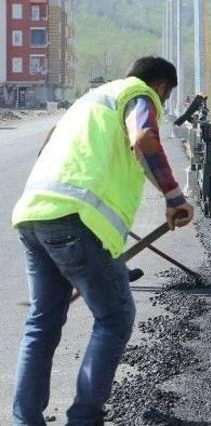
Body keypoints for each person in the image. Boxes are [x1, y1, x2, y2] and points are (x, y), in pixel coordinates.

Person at [10, 56, 195, 426]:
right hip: (78, 223)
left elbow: (47, 146)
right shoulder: (139, 94)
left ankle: (25, 419)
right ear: (161, 87)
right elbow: (144, 136)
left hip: (33, 215)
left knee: (42, 322)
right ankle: (84, 417)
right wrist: (174, 196)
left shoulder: (89, 101)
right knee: (115, 317)